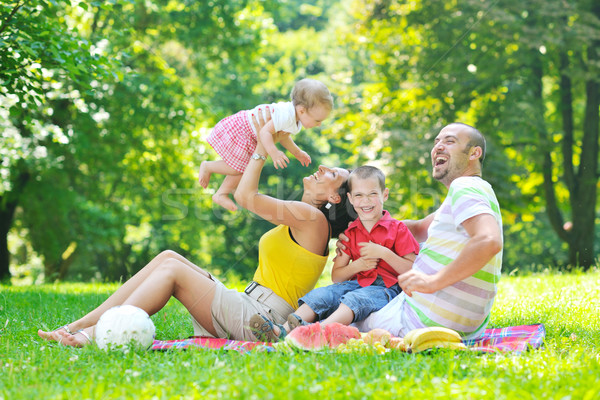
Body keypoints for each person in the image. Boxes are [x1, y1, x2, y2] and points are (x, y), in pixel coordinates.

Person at [37, 111, 354, 346]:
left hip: (260, 318)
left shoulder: (312, 219)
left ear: (334, 196)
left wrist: (261, 143)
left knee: (172, 272)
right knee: (167, 257)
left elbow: (245, 196)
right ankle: (80, 324)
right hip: (248, 306)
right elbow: (248, 196)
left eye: (333, 174)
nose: (323, 168)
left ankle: (90, 335)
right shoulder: (304, 217)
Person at [352, 123, 503, 340]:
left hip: (419, 320)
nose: (438, 147)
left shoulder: (465, 187)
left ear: (474, 153)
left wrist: (433, 282)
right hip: (463, 329)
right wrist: (365, 228)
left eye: (449, 141)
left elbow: (489, 241)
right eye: (436, 142)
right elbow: (418, 228)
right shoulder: (473, 192)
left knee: (340, 308)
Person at [249, 165, 419, 341]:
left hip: (385, 288)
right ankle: (282, 331)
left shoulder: (398, 229)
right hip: (357, 283)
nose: (365, 201)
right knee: (322, 295)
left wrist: (384, 253)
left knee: (354, 300)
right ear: (350, 199)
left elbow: (414, 268)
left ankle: (316, 332)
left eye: (372, 194)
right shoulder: (352, 234)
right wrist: (357, 266)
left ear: (384, 195)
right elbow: (337, 277)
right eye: (359, 195)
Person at [198, 78, 333, 211]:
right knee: (238, 168)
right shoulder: (286, 115)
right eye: (317, 120)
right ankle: (208, 167)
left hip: (251, 135)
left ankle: (221, 193)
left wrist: (297, 152)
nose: (319, 124)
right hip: (243, 130)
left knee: (244, 167)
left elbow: (283, 136)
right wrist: (274, 152)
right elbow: (264, 133)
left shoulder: (295, 119)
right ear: (302, 110)